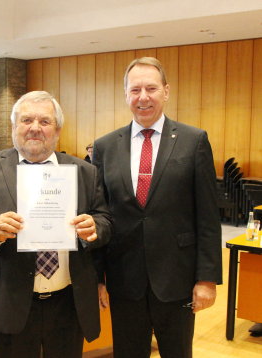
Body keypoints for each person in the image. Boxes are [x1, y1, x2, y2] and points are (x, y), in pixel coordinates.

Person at [0, 91, 112, 358]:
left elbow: (106, 221)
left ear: (58, 129)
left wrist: (94, 227)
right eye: (27, 120)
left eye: (45, 121)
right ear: (14, 126)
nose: (35, 128)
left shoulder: (85, 171)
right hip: (10, 303)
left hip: (68, 304)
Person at [93, 57, 222, 358]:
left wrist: (207, 279)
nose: (143, 97)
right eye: (135, 89)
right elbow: (99, 214)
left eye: (151, 88)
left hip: (177, 278)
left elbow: (207, 216)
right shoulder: (105, 147)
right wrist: (97, 278)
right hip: (124, 280)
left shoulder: (194, 141)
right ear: (125, 94)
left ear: (166, 91)